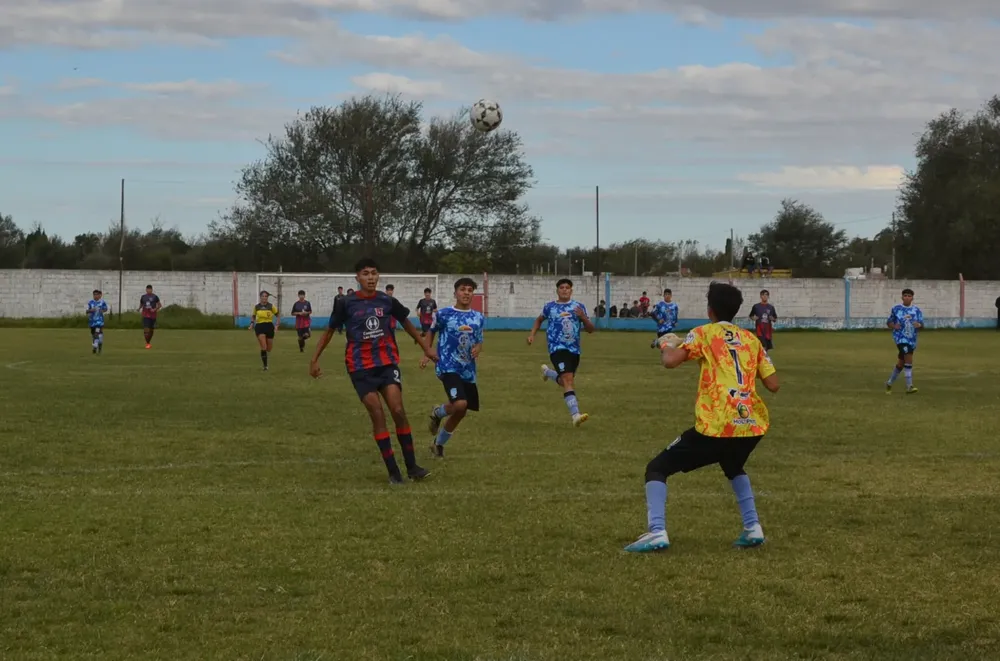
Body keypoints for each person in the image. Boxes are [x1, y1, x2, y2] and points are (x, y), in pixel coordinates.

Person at [624, 282, 779, 553]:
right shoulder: (750, 339)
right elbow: (774, 383)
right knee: (732, 465)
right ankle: (753, 528)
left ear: (709, 310)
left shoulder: (703, 333)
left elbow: (670, 361)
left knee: (657, 468)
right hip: (751, 423)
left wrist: (665, 344)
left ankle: (657, 531)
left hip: (717, 422)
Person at [310, 258, 437, 484]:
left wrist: (426, 348)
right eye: (366, 273)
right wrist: (315, 359)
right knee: (378, 414)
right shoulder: (345, 303)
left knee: (398, 410)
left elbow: (405, 321)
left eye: (374, 273)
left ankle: (412, 467)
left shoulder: (386, 301)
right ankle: (393, 473)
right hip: (360, 367)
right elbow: (330, 331)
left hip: (387, 364)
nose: (370, 277)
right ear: (357, 278)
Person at [421, 278, 485, 458]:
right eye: (463, 289)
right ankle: (438, 412)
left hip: (468, 369)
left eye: (470, 290)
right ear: (455, 292)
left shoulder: (478, 317)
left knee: (461, 411)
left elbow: (480, 340)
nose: (466, 293)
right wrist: (427, 352)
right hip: (447, 365)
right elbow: (431, 331)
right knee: (460, 403)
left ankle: (438, 443)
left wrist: (478, 348)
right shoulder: (443, 314)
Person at [528, 278, 596, 427]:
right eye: (561, 287)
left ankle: (548, 373)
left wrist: (583, 317)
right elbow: (539, 320)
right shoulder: (550, 307)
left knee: (565, 381)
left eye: (567, 288)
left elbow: (591, 329)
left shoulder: (578, 307)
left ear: (571, 290)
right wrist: (532, 334)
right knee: (568, 379)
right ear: (557, 290)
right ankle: (575, 415)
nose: (564, 290)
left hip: (574, 349)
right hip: (557, 348)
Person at [885, 288, 923, 394]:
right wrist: (894, 325)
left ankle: (889, 383)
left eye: (909, 296)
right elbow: (889, 322)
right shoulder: (896, 309)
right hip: (900, 338)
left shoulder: (917, 310)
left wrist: (919, 325)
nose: (907, 297)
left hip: (912, 339)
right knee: (908, 359)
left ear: (912, 298)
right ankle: (909, 386)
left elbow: (922, 325)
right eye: (905, 295)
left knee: (901, 364)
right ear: (902, 297)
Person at [250, 290, 278, 371]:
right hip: (260, 326)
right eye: (263, 296)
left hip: (269, 326)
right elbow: (253, 316)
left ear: (267, 297)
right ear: (260, 297)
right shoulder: (257, 307)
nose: (264, 298)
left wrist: (277, 325)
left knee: (269, 348)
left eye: (266, 296)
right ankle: (265, 366)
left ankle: (265, 356)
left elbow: (278, 315)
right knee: (264, 346)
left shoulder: (271, 306)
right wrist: (252, 323)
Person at [138, 284, 161, 349]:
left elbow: (159, 305)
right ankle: (147, 343)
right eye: (147, 289)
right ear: (146, 290)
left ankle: (148, 342)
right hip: (145, 315)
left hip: (153, 316)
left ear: (151, 290)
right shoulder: (143, 297)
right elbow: (142, 304)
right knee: (146, 329)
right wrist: (139, 308)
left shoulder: (155, 297)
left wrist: (154, 309)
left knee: (151, 330)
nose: (148, 290)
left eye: (150, 289)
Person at [86, 289, 109, 354]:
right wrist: (91, 310)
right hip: (92, 321)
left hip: (99, 321)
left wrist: (102, 310)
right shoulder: (90, 302)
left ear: (100, 295)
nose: (95, 296)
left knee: (97, 332)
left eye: (97, 295)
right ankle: (96, 348)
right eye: (94, 295)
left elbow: (105, 308)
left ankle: (96, 346)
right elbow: (87, 311)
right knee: (96, 336)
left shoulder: (102, 302)